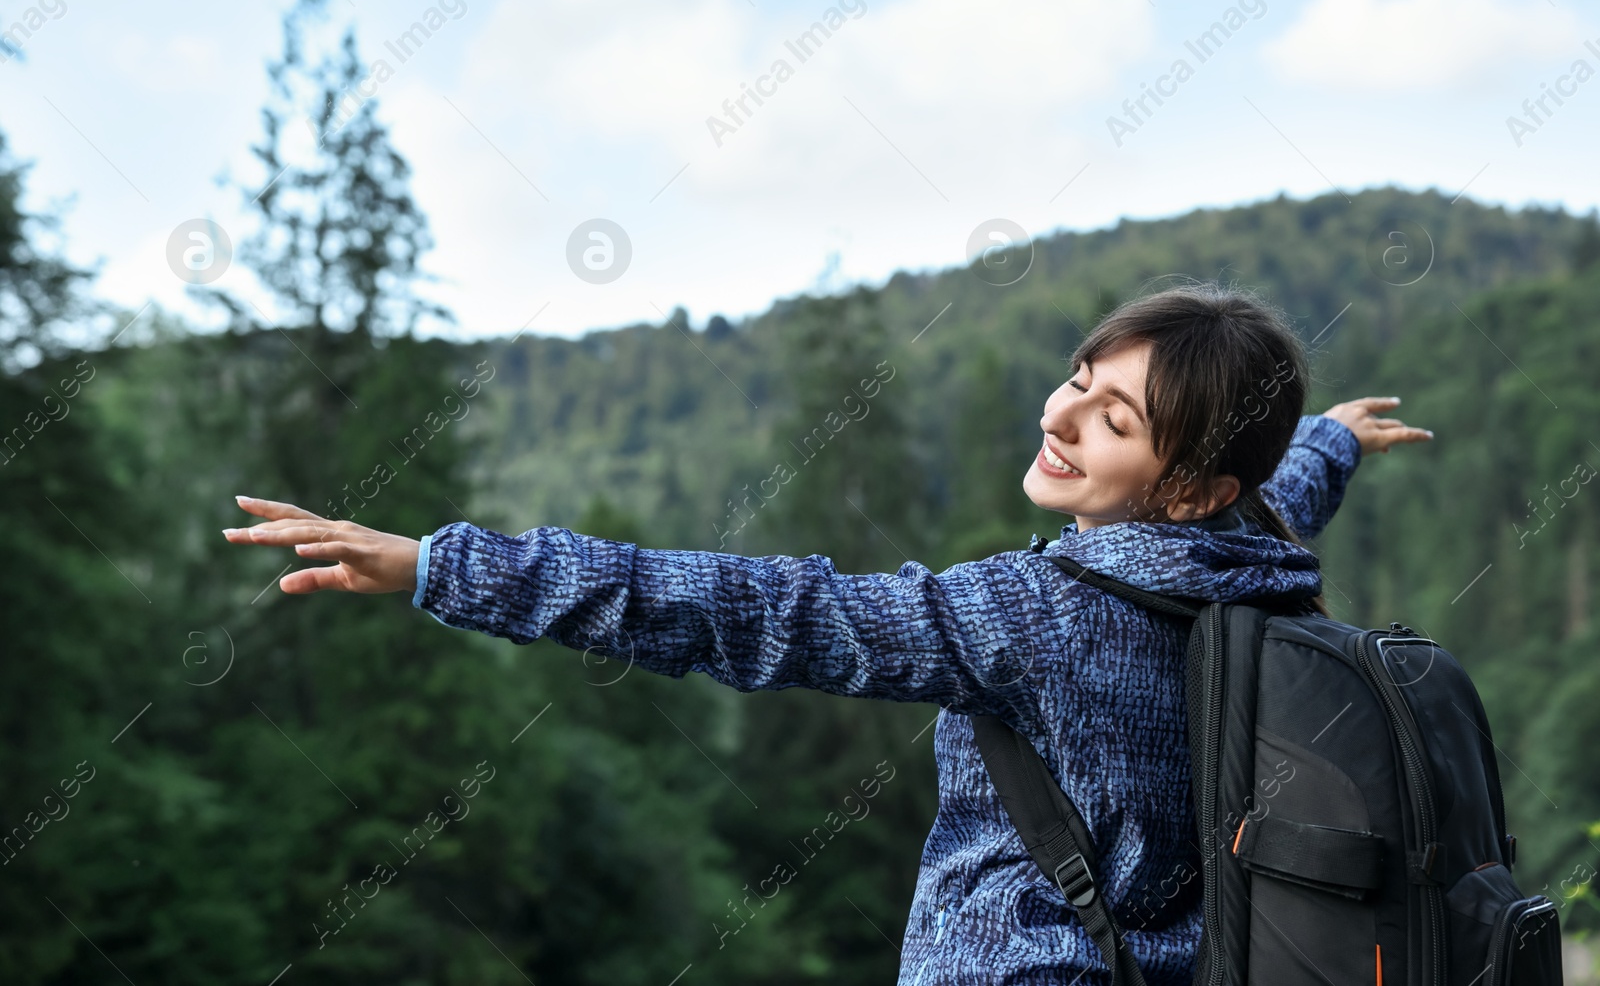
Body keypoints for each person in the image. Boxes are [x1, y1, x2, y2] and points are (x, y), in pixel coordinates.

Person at [224, 282, 1431, 984]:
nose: (1062, 414)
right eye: (1078, 374)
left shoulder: (1027, 616)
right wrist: (1323, 436)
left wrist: (443, 563)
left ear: (1184, 485)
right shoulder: (1260, 580)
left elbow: (757, 611)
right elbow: (1271, 494)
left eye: (1111, 416)